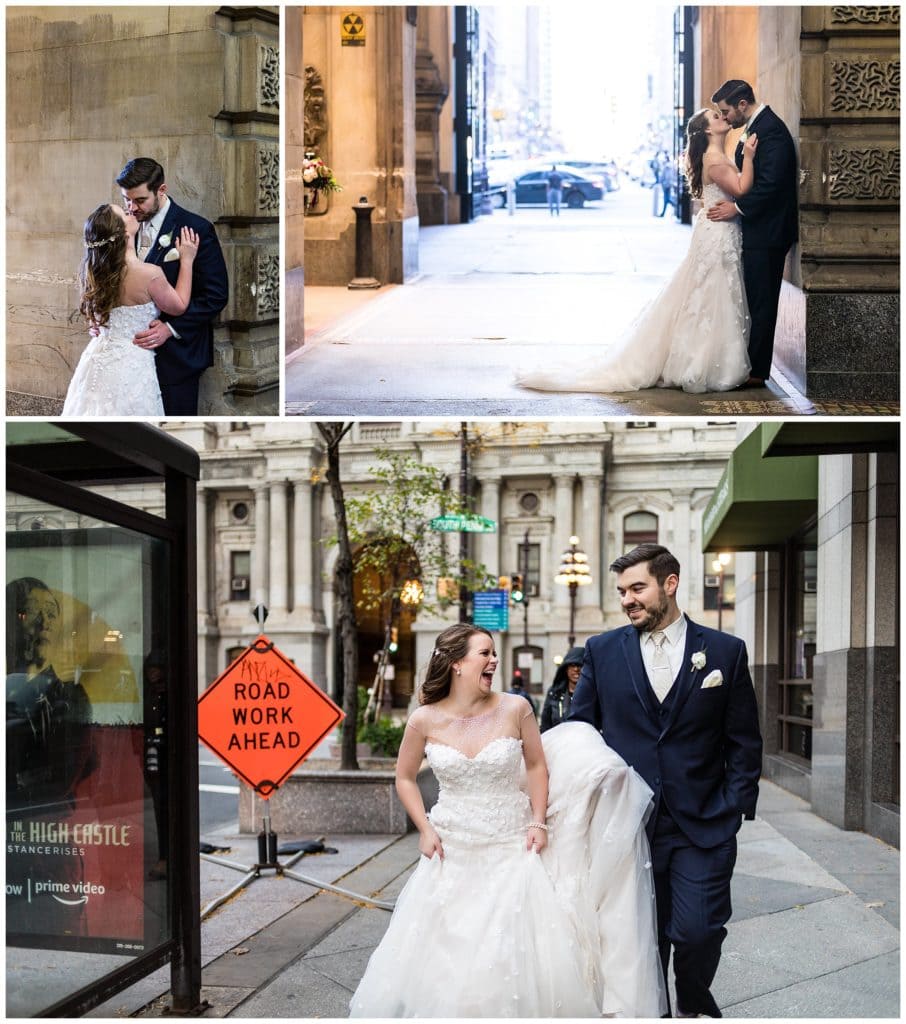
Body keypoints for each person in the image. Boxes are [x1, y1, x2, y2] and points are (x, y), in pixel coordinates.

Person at [350, 623, 666, 1018]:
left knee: (510, 944)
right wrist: (425, 829)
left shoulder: (516, 708)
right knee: (449, 944)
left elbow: (536, 766)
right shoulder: (424, 720)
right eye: (484, 653)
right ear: (456, 664)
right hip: (452, 848)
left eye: (493, 653)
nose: (494, 660)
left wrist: (538, 821)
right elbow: (404, 777)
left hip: (510, 844)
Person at [569, 543, 763, 1018]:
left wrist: (736, 802)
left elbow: (743, 738)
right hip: (628, 826)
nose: (627, 599)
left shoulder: (724, 652)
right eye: (621, 591)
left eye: (638, 588)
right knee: (640, 941)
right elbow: (579, 731)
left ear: (669, 584)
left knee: (699, 930)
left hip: (704, 821)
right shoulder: (601, 650)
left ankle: (693, 999)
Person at [516, 109, 758, 395]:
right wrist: (751, 158)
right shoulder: (715, 160)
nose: (722, 119)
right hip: (717, 233)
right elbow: (741, 188)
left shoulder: (715, 156)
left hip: (716, 230)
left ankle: (705, 359)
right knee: (711, 293)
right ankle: (704, 363)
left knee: (707, 292)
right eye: (716, 118)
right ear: (707, 131)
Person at [6, 578, 97, 939]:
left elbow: (58, 779)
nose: (42, 623)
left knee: (58, 934)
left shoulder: (69, 696)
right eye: (30, 612)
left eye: (50, 615)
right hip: (16, 839)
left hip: (47, 845)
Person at [62, 204, 198, 416]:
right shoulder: (149, 274)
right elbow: (179, 305)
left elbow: (97, 315)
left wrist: (96, 323)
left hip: (96, 357)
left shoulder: (93, 272)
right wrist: (187, 260)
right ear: (124, 233)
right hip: (131, 363)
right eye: (125, 214)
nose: (131, 211)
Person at [117, 157, 229, 414]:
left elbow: (216, 295)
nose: (132, 208)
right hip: (129, 358)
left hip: (177, 358)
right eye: (126, 199)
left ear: (161, 190)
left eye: (140, 200)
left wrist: (170, 327)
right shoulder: (121, 227)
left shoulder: (195, 228)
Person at [706, 80, 798, 388]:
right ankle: (750, 364)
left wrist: (738, 209)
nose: (726, 118)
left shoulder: (772, 130)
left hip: (768, 232)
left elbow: (771, 184)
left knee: (762, 302)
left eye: (727, 111)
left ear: (742, 105)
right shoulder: (757, 126)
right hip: (758, 230)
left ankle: (757, 372)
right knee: (755, 298)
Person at [539, 645, 584, 732]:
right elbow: (545, 723)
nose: (576, 669)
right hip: (558, 741)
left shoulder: (593, 694)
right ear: (566, 669)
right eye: (572, 665)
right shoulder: (554, 693)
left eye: (580, 665)